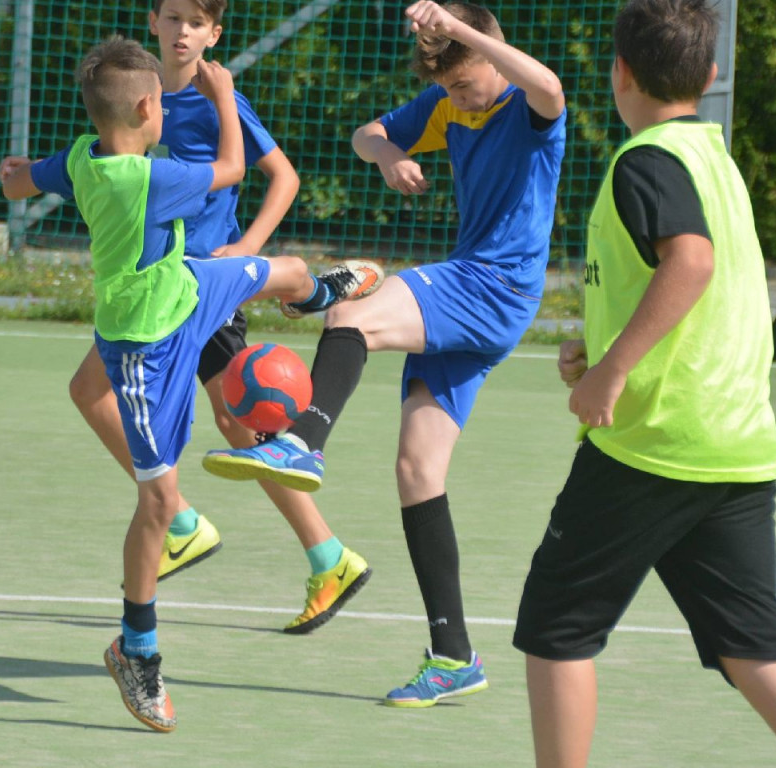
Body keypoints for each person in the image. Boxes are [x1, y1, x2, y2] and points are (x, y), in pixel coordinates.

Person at [510, 1, 776, 766]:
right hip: (735, 442)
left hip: (653, 442)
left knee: (556, 627)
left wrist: (616, 369)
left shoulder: (648, 160)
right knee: (754, 644)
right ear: (711, 73)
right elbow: (696, 288)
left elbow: (691, 264)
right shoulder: (713, 157)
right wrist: (598, 350)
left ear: (619, 72)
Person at [0, 37, 380, 731]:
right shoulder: (145, 178)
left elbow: (22, 181)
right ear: (150, 108)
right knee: (156, 503)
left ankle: (314, 293)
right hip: (145, 345)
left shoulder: (86, 159)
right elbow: (234, 166)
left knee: (280, 270)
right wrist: (224, 97)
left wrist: (19, 174)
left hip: (186, 285)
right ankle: (135, 648)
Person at [203, 0, 566, 707]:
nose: (457, 101)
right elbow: (364, 134)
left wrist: (462, 34)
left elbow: (552, 88)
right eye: (449, 89)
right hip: (476, 288)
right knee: (417, 469)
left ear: (490, 54)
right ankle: (452, 655)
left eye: (465, 83)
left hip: (492, 284)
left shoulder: (527, 106)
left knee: (352, 313)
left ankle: (303, 441)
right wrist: (393, 152)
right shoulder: (447, 105)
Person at [61, 0, 376, 635]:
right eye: (173, 17)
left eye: (196, 23)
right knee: (92, 391)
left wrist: (251, 243)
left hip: (200, 286)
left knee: (236, 418)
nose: (182, 32)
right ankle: (184, 521)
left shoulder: (216, 100)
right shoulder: (133, 99)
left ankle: (321, 554)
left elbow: (279, 176)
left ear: (214, 34)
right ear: (153, 22)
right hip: (157, 290)